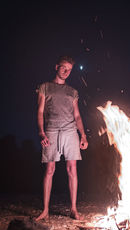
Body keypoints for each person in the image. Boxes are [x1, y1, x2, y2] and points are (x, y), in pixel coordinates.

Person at [35, 55, 88, 221]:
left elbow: (77, 115)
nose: (66, 72)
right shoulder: (44, 87)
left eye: (70, 70)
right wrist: (41, 132)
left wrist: (83, 135)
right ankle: (45, 210)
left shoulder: (73, 92)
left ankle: (73, 209)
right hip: (51, 130)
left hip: (70, 131)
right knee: (49, 170)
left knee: (72, 169)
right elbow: (40, 111)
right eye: (64, 68)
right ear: (56, 66)